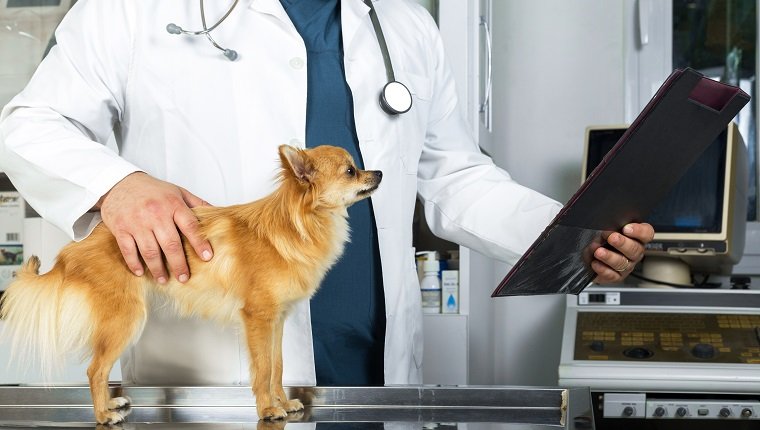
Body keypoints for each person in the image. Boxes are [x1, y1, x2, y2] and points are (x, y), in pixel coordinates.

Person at [0, 0, 653, 387]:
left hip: (375, 377)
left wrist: (573, 231)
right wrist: (117, 185)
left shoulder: (403, 27)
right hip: (211, 380)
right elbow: (30, 124)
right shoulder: (132, 10)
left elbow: (454, 178)